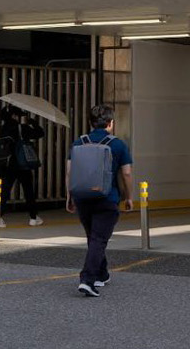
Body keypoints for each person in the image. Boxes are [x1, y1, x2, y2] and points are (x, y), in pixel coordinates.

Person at [65, 104, 133, 297]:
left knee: (94, 237)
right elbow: (127, 173)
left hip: (82, 198)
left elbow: (69, 172)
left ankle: (101, 274)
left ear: (90, 123)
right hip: (107, 198)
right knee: (99, 239)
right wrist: (129, 197)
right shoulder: (118, 144)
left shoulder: (79, 142)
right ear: (110, 123)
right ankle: (87, 280)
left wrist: (70, 196)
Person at [0, 106, 46, 227]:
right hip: (20, 164)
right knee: (28, 190)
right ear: (14, 116)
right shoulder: (21, 128)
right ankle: (33, 218)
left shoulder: (1, 130)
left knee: (4, 191)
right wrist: (33, 123)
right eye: (18, 115)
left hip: (4, 164)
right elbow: (40, 133)